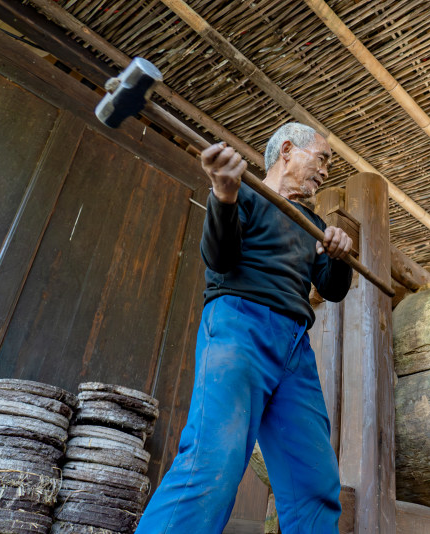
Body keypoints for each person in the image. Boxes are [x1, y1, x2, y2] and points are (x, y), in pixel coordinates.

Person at [135, 122, 354, 534]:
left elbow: (331, 288)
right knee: (214, 461)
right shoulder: (244, 193)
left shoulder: (314, 226)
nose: (327, 172)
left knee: (316, 479)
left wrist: (339, 254)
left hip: (294, 350)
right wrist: (223, 194)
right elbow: (218, 258)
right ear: (287, 150)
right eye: (322, 159)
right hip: (240, 327)